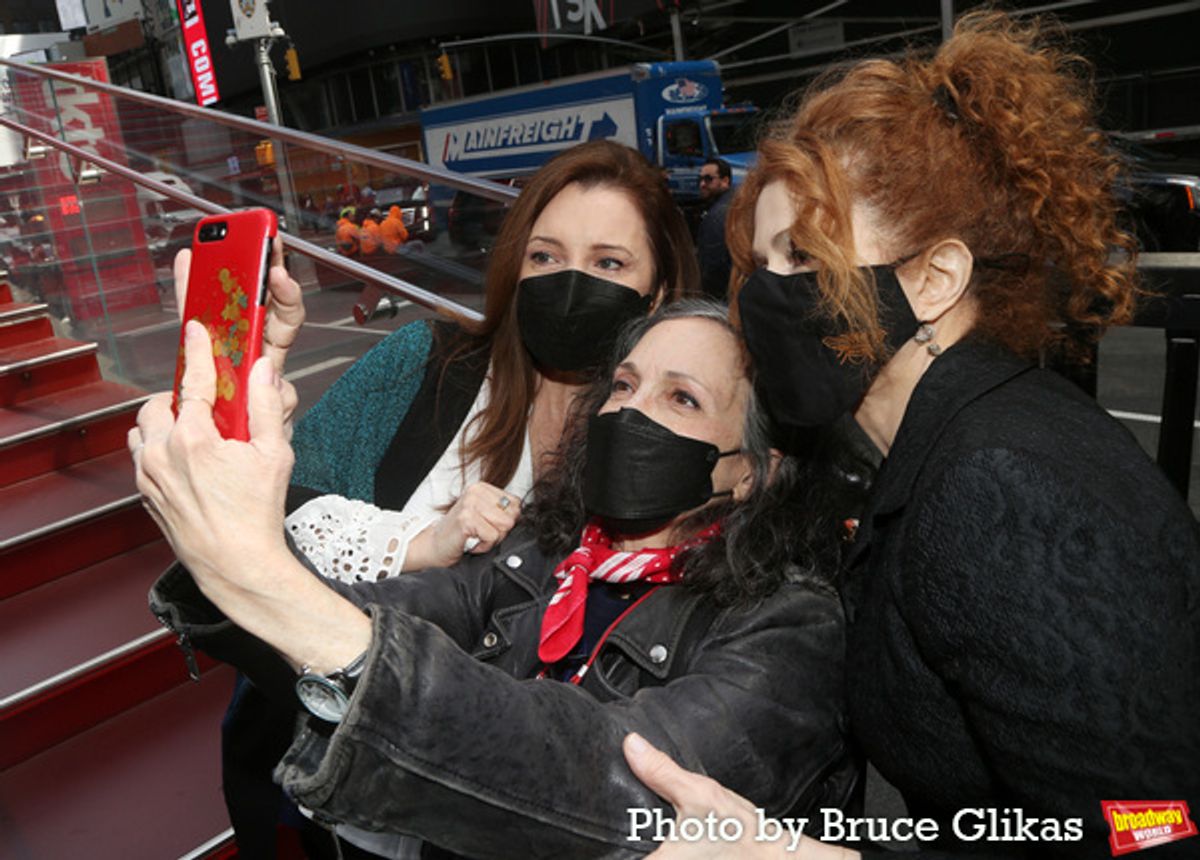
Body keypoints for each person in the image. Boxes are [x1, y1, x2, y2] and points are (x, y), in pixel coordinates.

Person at [621, 11, 1200, 858]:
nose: (766, 296)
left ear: (934, 280)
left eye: (805, 259)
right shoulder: (923, 447)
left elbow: (1153, 831)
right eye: (760, 263)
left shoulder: (999, 487)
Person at [138, 299, 861, 858]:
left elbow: (618, 783)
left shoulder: (789, 626)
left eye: (683, 399)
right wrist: (228, 527)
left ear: (750, 473)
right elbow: (369, 620)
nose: (629, 412)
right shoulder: (542, 554)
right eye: (624, 384)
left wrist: (262, 578)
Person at [224, 139, 700, 856]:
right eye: (545, 256)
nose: (571, 281)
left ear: (658, 291)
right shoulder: (422, 364)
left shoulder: (668, 447)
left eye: (609, 263)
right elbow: (277, 509)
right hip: (330, 799)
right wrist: (418, 545)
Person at [696, 158, 734, 300]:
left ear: (725, 181)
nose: (702, 184)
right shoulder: (734, 203)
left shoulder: (717, 216)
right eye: (700, 179)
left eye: (708, 179)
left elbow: (712, 268)